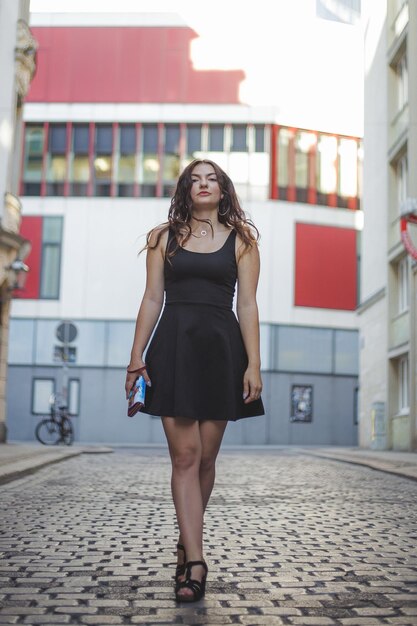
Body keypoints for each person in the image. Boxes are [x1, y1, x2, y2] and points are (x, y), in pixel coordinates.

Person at [125, 159, 264, 603]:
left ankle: (187, 541)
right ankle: (197, 560)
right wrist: (135, 357)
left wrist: (254, 364)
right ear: (186, 189)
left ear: (223, 191)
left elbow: (248, 307)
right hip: (174, 349)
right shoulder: (162, 238)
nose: (204, 185)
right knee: (185, 456)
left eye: (213, 180)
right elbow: (151, 298)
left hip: (222, 352)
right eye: (195, 180)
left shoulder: (243, 241)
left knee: (205, 458)